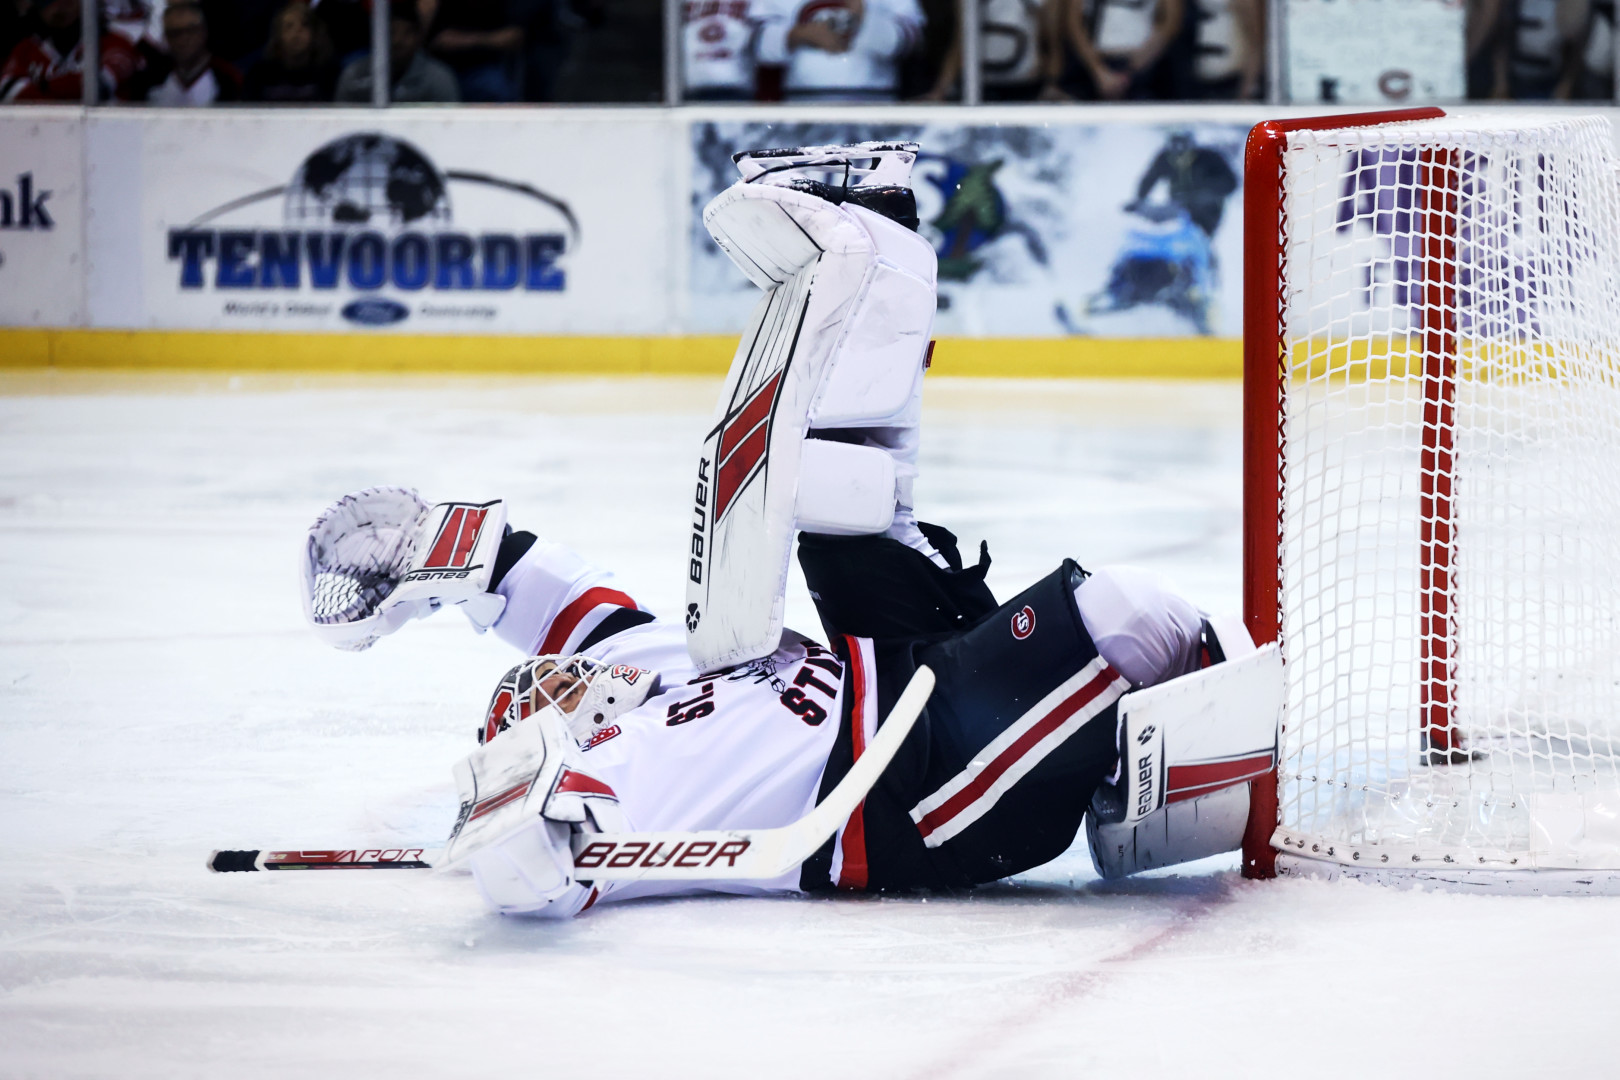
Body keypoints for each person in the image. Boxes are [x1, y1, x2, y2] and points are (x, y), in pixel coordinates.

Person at [299, 143, 1267, 917]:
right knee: (1125, 616)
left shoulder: (637, 658)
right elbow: (539, 880)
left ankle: (879, 243)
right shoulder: (615, 776)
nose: (562, 676)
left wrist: (436, 550)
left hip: (888, 669)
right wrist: (515, 808)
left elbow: (544, 591)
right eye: (546, 693)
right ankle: (1219, 755)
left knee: (829, 496)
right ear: (560, 736)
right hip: (897, 795)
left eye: (548, 673)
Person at [758, 0, 925, 101]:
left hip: (874, 102)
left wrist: (864, 24)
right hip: (802, 103)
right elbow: (759, 48)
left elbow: (912, 41)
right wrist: (798, 35)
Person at [0, 0, 141, 101]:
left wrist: (42, 85)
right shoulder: (25, 49)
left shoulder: (116, 44)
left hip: (105, 137)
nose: (60, 7)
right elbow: (8, 89)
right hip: (39, 135)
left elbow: (95, 88)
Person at [334, 0, 459, 102]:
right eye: (391, 32)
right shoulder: (354, 75)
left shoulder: (438, 79)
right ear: (377, 35)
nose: (397, 41)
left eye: (406, 33)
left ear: (418, 37)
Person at [1059, 0, 1185, 101]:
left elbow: (1170, 22)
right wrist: (1098, 71)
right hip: (1092, 65)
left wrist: (1133, 69)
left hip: (1142, 67)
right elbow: (1074, 23)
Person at [138, 1, 243, 105]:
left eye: (190, 30)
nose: (183, 39)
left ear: (203, 31)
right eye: (175, 33)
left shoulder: (227, 78)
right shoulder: (152, 79)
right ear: (166, 37)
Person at [245, 1, 338, 103]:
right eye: (289, 26)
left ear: (315, 33)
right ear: (278, 34)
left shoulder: (329, 73)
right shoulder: (260, 74)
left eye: (305, 25)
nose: (297, 31)